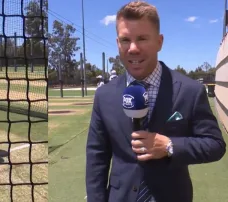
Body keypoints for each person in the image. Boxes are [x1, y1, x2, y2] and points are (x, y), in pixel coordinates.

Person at [85, 1, 226, 202]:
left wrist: (170, 146)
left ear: (159, 42)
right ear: (118, 43)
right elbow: (96, 157)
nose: (133, 48)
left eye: (142, 38)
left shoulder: (190, 91)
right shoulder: (104, 95)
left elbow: (215, 145)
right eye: (126, 40)